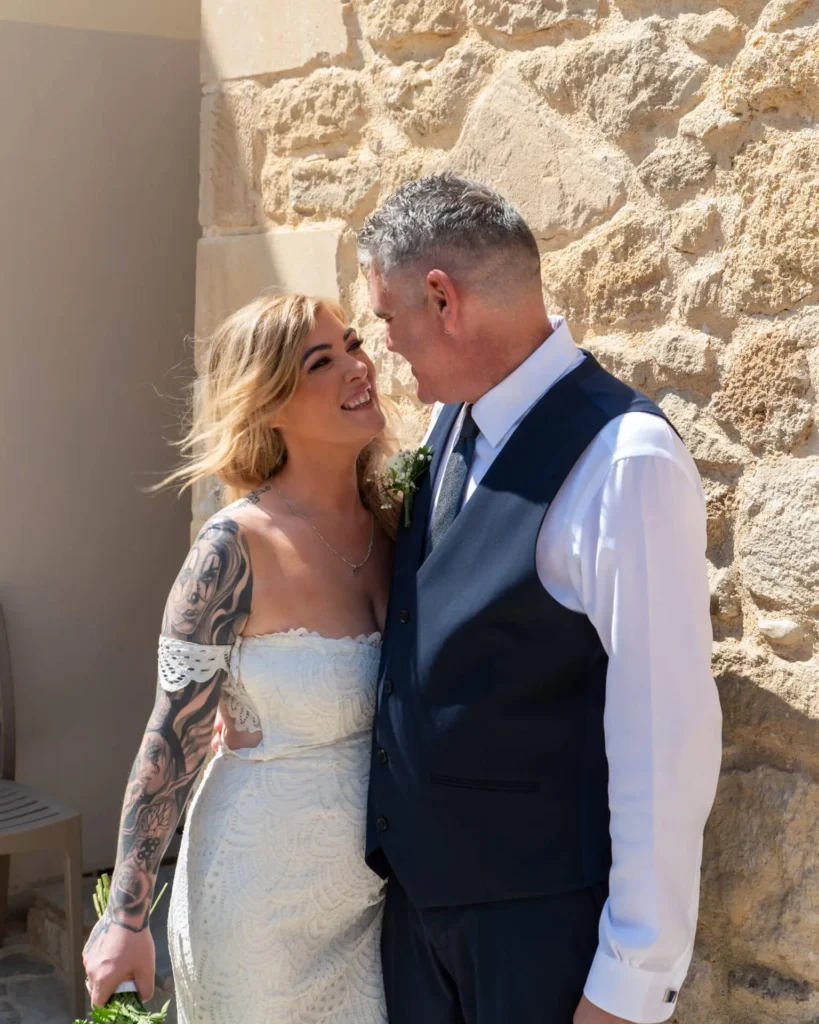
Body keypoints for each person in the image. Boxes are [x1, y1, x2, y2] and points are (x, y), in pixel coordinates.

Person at [358, 174, 723, 1024]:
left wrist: (629, 983)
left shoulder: (624, 460)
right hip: (421, 927)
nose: (384, 344)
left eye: (387, 317)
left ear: (442, 299)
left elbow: (664, 735)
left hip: (538, 944)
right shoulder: (454, 422)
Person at [82, 294, 396, 1023]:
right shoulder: (232, 549)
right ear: (271, 404)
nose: (358, 367)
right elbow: (173, 734)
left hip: (378, 901)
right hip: (258, 903)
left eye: (354, 344)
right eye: (322, 362)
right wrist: (125, 917)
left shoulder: (397, 522)